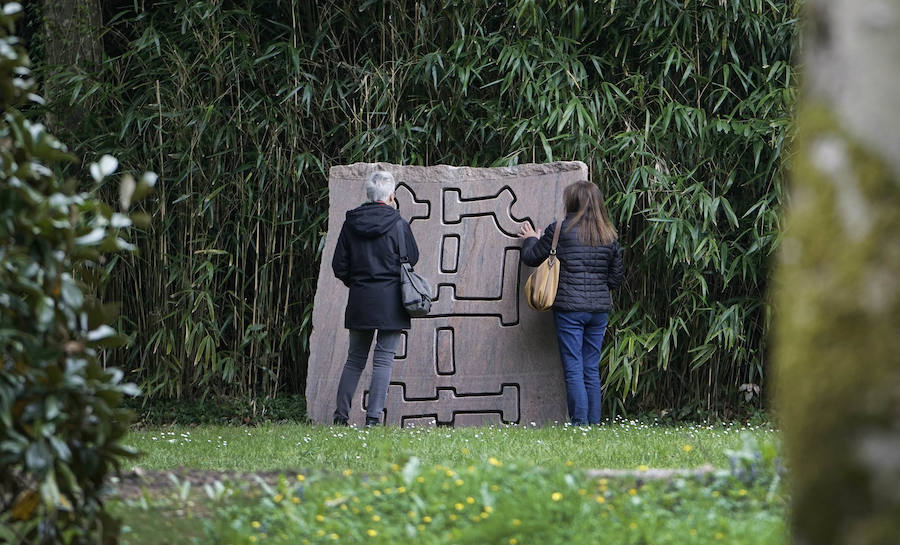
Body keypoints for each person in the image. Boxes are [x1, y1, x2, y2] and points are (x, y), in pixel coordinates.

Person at [518, 180, 623, 426]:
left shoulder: (559, 230)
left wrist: (531, 238)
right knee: (590, 368)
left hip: (569, 310)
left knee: (574, 367)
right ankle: (593, 425)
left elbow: (531, 257)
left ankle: (579, 424)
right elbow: (615, 279)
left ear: (572, 202)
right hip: (598, 311)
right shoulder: (609, 235)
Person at [331, 170, 419, 426]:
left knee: (355, 359)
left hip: (360, 299)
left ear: (368, 195)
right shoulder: (399, 224)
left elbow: (339, 265)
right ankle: (372, 420)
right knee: (383, 361)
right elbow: (411, 258)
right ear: (391, 196)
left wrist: (358, 283)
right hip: (392, 300)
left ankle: (340, 417)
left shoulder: (351, 224)